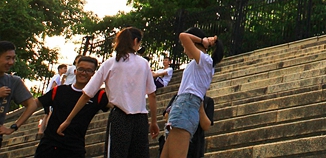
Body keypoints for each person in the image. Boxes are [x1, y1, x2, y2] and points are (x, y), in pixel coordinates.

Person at [57, 27, 158, 158]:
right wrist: (154, 121)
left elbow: (87, 94)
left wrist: (68, 119)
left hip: (120, 117)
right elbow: (152, 94)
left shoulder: (110, 63)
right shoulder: (144, 63)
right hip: (140, 119)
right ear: (135, 41)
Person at [0, 55, 108, 158]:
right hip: (49, 147)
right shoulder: (59, 91)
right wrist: (14, 127)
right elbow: (33, 105)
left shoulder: (98, 96)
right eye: (80, 69)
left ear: (94, 74)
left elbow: (117, 105)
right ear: (75, 71)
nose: (83, 73)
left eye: (88, 70)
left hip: (74, 148)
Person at [160, 29, 222, 158]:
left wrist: (202, 41)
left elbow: (183, 35)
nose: (184, 50)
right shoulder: (200, 63)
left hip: (186, 105)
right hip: (183, 105)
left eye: (185, 47)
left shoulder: (204, 60)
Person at [0, 41, 34, 149]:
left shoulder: (13, 81)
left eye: (13, 58)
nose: (11, 62)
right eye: (7, 58)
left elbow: (32, 105)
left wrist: (14, 127)